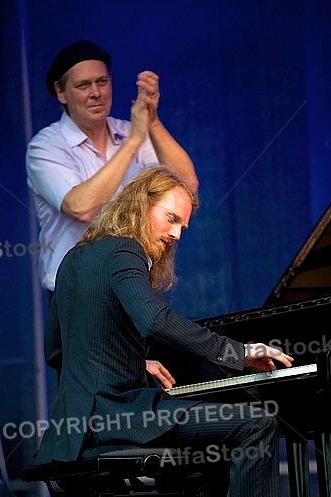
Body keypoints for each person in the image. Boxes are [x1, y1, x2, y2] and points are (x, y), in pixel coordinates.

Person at [34, 165, 293, 497]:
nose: (177, 234)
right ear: (140, 205)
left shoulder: (73, 258)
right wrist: (240, 354)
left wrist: (137, 362)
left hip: (76, 422)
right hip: (116, 415)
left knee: (209, 452)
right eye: (170, 219)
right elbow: (154, 319)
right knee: (256, 425)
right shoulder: (124, 252)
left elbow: (56, 352)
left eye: (183, 226)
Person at [26, 39, 198, 389]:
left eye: (102, 82)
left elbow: (187, 188)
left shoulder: (131, 130)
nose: (95, 93)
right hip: (79, 295)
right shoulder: (46, 146)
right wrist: (134, 141)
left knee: (161, 390)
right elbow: (81, 205)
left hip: (135, 286)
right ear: (61, 93)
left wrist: (151, 122)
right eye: (83, 85)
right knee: (102, 402)